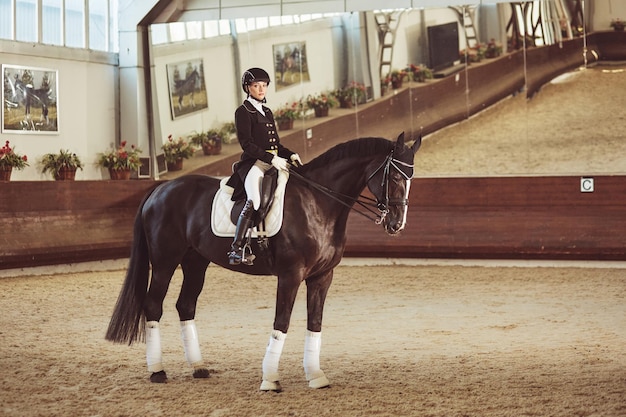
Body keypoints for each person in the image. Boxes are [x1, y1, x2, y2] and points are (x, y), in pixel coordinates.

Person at [226, 67, 302, 266]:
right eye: (256, 86)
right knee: (256, 200)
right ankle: (237, 248)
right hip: (255, 163)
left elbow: (276, 144)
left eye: (264, 86)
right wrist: (270, 158)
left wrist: (289, 154)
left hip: (274, 162)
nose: (261, 89)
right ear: (248, 88)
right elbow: (247, 145)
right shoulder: (243, 112)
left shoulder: (266, 111)